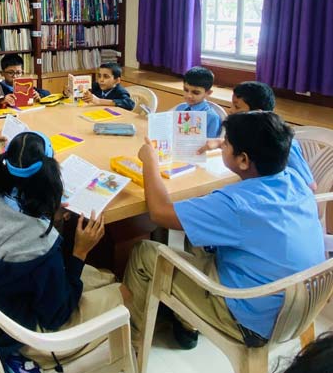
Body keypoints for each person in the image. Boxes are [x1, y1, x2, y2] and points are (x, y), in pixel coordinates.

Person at [122, 112, 325, 350]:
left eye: (226, 144)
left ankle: (131, 347)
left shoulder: (237, 204)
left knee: (144, 253)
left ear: (243, 160)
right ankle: (183, 318)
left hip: (252, 319)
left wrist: (150, 163)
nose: (222, 146)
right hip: (302, 305)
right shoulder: (296, 180)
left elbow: (159, 212)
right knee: (198, 236)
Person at [0, 131, 129, 372]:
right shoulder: (40, 244)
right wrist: (80, 252)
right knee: (124, 293)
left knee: (105, 276)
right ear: (50, 177)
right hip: (28, 336)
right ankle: (129, 352)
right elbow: (57, 315)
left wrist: (47, 214)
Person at [199, 81, 317, 191]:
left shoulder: (283, 145)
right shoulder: (253, 135)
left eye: (237, 107)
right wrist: (220, 143)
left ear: (256, 113)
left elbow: (310, 186)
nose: (231, 111)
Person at [174, 66, 221, 137]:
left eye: (196, 92)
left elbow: (211, 142)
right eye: (186, 90)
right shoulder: (180, 108)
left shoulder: (212, 117)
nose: (189, 96)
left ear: (208, 93)